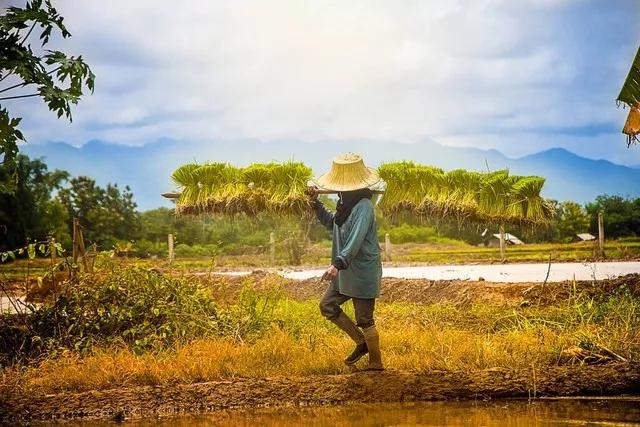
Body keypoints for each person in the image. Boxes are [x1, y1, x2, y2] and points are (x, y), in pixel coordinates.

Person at [307, 153, 384, 371]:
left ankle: (376, 363)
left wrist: (337, 264)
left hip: (361, 271)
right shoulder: (344, 207)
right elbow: (332, 223)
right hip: (345, 270)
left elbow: (355, 240)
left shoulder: (364, 207)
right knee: (327, 305)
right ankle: (361, 343)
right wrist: (314, 202)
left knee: (364, 318)